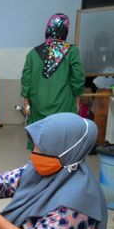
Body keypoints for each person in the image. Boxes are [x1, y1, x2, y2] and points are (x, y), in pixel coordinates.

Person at [21, 13, 85, 149]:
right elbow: (78, 79)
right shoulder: (71, 52)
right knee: (63, 142)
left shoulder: (33, 53)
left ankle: (42, 167)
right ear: (66, 30)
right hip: (64, 106)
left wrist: (26, 102)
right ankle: (60, 168)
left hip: (38, 107)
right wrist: (77, 98)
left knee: (40, 140)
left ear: (48, 29)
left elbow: (26, 79)